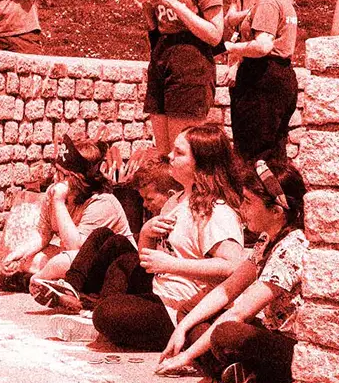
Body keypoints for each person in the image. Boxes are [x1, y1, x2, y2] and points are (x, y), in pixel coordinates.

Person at [156, 156, 310, 383]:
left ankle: (230, 369)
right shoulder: (267, 239)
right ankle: (238, 372)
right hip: (269, 330)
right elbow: (228, 288)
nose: (242, 208)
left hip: (289, 346)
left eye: (249, 202)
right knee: (189, 312)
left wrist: (185, 357)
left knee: (226, 333)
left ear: (276, 211)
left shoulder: (292, 247)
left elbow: (240, 311)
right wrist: (181, 329)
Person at [90, 124, 245, 352]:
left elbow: (232, 266)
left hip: (180, 307)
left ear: (201, 163)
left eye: (180, 153)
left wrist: (173, 265)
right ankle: (105, 324)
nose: (170, 157)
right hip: (159, 290)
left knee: (109, 313)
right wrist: (147, 233)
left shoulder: (216, 211)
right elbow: (148, 261)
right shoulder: (176, 201)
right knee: (123, 263)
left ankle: (175, 335)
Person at [137, 0, 225, 156]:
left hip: (190, 65)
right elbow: (159, 29)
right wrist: (147, 9)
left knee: (182, 153)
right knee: (164, 155)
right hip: (162, 61)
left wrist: (172, 2)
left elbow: (215, 34)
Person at [23, 136, 132, 307]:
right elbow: (43, 234)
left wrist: (59, 202)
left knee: (61, 262)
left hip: (105, 268)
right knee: (33, 259)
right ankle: (55, 286)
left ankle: (45, 282)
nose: (55, 179)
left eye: (63, 175)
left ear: (78, 178)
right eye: (56, 171)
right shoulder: (56, 191)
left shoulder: (103, 202)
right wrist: (17, 255)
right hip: (72, 259)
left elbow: (77, 251)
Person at [223, 0, 298, 163]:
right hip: (281, 79)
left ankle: (256, 198)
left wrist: (231, 48)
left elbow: (263, 45)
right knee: (274, 153)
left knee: (253, 156)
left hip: (262, 81)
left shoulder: (268, 1)